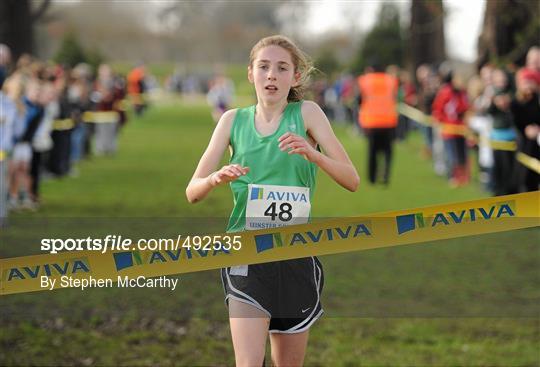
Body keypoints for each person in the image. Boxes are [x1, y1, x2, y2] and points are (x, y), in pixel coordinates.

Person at [186, 35, 359, 366]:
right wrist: (214, 178)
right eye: (264, 67)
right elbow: (192, 191)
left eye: (282, 68)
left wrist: (314, 155)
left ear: (294, 77)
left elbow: (351, 180)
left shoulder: (308, 114)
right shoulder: (232, 121)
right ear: (251, 73)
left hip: (295, 255)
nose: (271, 75)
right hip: (246, 255)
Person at [357, 63, 399, 185]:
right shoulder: (391, 80)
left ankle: (372, 178)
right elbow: (395, 97)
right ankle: (385, 176)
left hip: (371, 122)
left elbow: (360, 99)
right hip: (388, 121)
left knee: (372, 152)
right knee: (388, 152)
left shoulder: (365, 80)